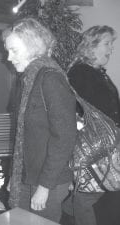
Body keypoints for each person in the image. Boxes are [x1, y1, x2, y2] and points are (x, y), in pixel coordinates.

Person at [2, 18, 77, 222]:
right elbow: (23, 136)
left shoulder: (51, 79)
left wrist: (44, 187)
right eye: (8, 50)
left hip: (48, 180)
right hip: (28, 175)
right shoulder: (28, 79)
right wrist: (14, 176)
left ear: (32, 46)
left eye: (14, 50)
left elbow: (64, 137)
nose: (9, 57)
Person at [67, 25, 119, 225]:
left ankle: (69, 208)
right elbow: (76, 110)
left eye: (111, 44)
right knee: (87, 196)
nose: (111, 49)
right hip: (92, 143)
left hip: (107, 143)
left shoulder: (98, 72)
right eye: (107, 43)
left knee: (99, 189)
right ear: (91, 46)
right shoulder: (81, 73)